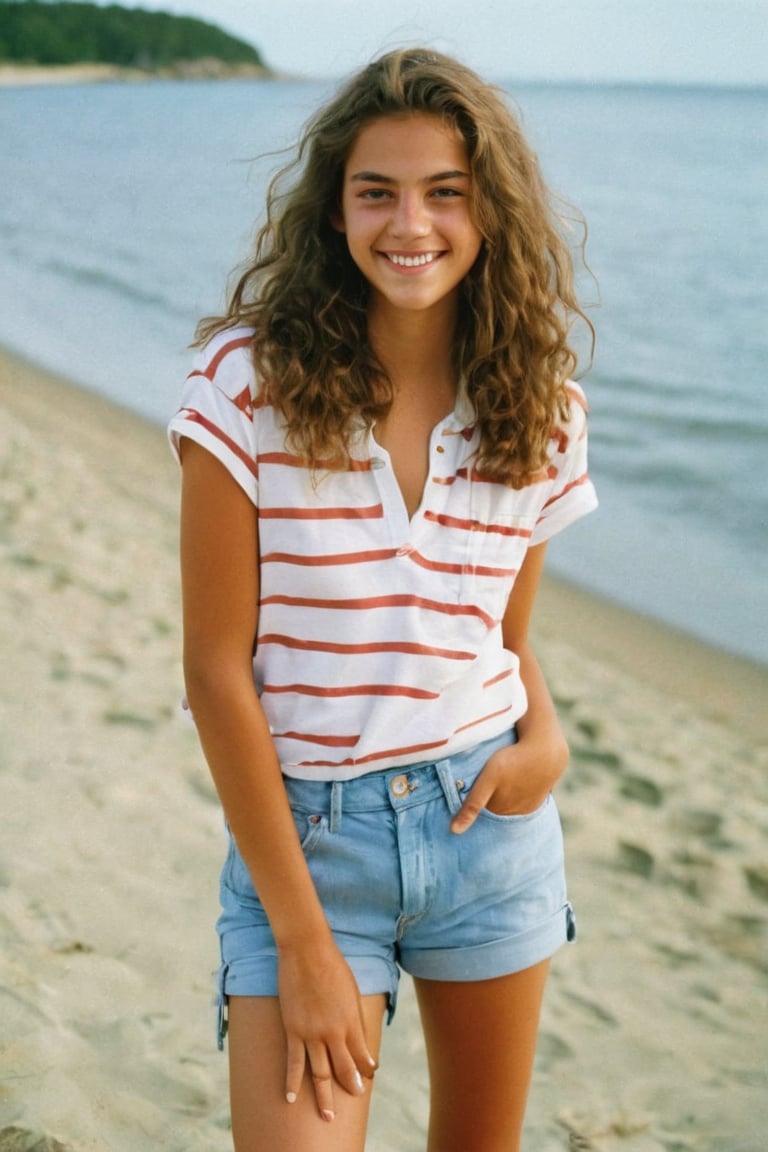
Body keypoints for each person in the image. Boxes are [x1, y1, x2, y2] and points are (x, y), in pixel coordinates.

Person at [168, 47, 597, 1152]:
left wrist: (546, 745)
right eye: (378, 192)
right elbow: (218, 670)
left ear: (490, 210)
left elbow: (503, 638)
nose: (412, 223)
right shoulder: (242, 381)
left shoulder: (541, 411)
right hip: (310, 845)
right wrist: (304, 943)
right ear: (335, 210)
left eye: (446, 191)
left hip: (490, 831)